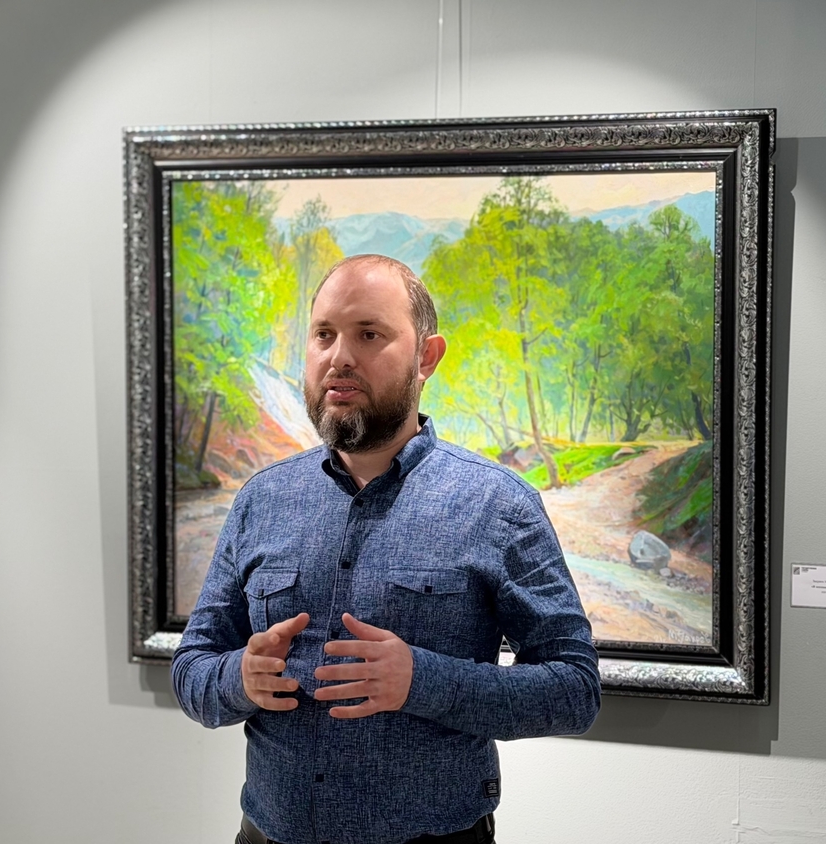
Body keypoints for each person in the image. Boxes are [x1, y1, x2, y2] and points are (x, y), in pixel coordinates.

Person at [172, 254, 601, 844]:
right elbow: (192, 669)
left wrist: (420, 680)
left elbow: (573, 690)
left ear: (427, 357)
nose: (339, 357)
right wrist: (239, 678)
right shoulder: (261, 500)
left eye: (369, 334)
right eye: (324, 334)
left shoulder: (499, 505)